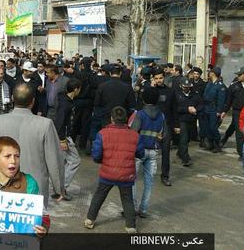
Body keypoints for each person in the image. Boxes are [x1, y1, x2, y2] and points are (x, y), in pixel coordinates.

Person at [0, 83, 66, 205]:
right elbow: (54, 160)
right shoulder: (45, 124)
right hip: (34, 191)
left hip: (1, 186)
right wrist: (59, 188)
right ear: (33, 101)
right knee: (34, 223)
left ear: (13, 99)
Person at [85, 106, 144, 234]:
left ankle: (90, 219)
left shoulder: (102, 133)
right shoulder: (134, 135)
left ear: (112, 119)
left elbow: (96, 154)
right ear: (127, 119)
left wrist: (102, 161)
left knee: (99, 196)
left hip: (107, 173)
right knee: (127, 199)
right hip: (126, 175)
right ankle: (131, 226)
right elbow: (140, 153)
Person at [129, 88, 166, 218]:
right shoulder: (162, 115)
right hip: (154, 151)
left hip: (139, 151)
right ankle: (143, 209)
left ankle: (132, 208)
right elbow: (164, 134)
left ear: (144, 99)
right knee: (149, 182)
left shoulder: (140, 114)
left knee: (131, 180)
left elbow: (133, 133)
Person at [144, 67, 175, 186]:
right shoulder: (149, 90)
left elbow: (174, 109)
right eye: (156, 78)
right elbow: (143, 103)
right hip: (150, 124)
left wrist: (175, 125)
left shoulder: (170, 91)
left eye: (161, 78)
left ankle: (165, 176)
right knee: (146, 149)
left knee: (165, 151)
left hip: (165, 124)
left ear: (164, 78)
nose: (159, 80)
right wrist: (151, 88)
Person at [53, 77, 82, 200]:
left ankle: (59, 188)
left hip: (64, 137)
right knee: (75, 161)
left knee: (63, 163)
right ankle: (61, 188)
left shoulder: (65, 100)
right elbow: (60, 122)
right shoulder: (65, 104)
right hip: (64, 138)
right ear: (75, 89)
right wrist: (62, 140)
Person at [92, 64, 136, 141]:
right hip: (121, 116)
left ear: (109, 73)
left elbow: (96, 102)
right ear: (120, 73)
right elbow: (132, 104)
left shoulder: (102, 86)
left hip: (105, 115)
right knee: (119, 139)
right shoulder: (127, 87)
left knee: (106, 138)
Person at [174, 79, 203, 167]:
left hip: (192, 120)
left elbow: (201, 104)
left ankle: (180, 152)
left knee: (187, 138)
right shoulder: (176, 95)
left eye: (188, 87)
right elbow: (175, 108)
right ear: (181, 86)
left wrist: (195, 109)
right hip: (181, 120)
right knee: (184, 138)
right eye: (184, 87)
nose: (186, 89)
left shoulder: (195, 94)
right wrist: (187, 109)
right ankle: (185, 159)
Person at [202, 67, 227, 152]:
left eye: (210, 72)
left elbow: (221, 100)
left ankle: (217, 144)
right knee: (207, 127)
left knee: (213, 127)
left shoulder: (220, 86)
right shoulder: (209, 83)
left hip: (214, 109)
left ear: (213, 73)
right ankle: (210, 143)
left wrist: (219, 111)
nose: (208, 73)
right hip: (206, 108)